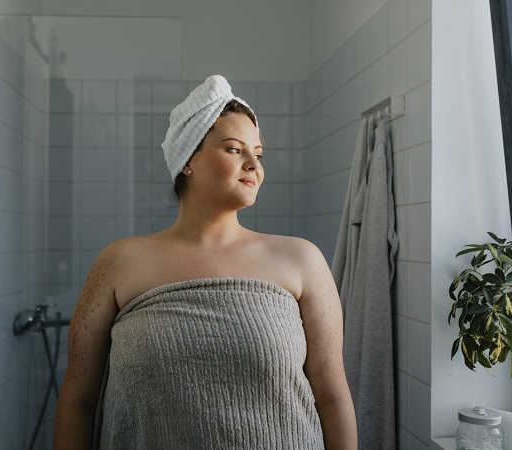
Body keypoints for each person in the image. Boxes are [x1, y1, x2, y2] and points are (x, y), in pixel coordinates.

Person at [53, 75, 357, 449]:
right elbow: (77, 400)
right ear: (188, 160)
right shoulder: (117, 263)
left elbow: (332, 395)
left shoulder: (302, 261)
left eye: (258, 154)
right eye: (234, 149)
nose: (253, 164)